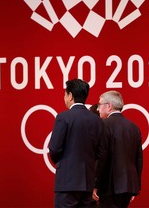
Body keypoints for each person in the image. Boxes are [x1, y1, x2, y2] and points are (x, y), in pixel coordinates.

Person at [49, 79, 103, 208]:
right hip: (87, 183)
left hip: (67, 182)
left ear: (71, 95)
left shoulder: (63, 117)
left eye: (65, 94)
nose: (64, 97)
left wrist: (64, 163)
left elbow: (54, 149)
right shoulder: (97, 120)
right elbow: (100, 152)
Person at [93, 90, 143, 208]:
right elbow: (139, 160)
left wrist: (95, 184)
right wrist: (135, 187)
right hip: (128, 187)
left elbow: (102, 158)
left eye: (99, 105)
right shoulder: (134, 128)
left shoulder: (104, 125)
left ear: (109, 106)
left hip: (109, 187)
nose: (97, 109)